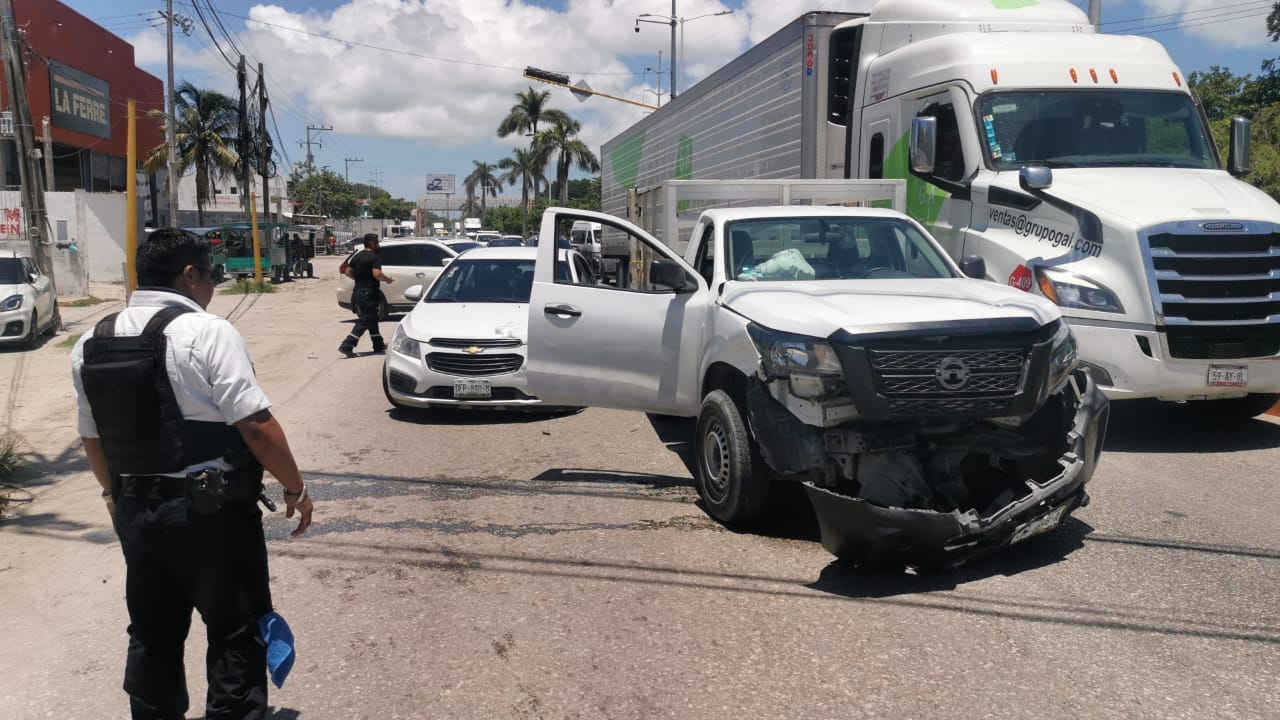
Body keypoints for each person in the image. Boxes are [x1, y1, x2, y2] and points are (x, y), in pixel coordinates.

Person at [70, 227, 314, 720]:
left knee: (152, 630)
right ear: (189, 274)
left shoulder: (91, 341)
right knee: (234, 626)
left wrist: (113, 499)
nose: (213, 287)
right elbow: (255, 424)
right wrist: (296, 488)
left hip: (136, 511)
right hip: (214, 514)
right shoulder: (206, 332)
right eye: (211, 276)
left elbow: (92, 438)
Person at [339, 232, 394, 357]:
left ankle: (378, 344)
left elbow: (348, 272)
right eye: (377, 242)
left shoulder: (357, 256)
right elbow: (376, 274)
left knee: (372, 318)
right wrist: (387, 279)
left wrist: (361, 279)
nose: (378, 245)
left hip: (358, 291)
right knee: (366, 319)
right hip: (369, 292)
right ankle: (347, 345)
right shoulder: (374, 257)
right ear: (373, 244)